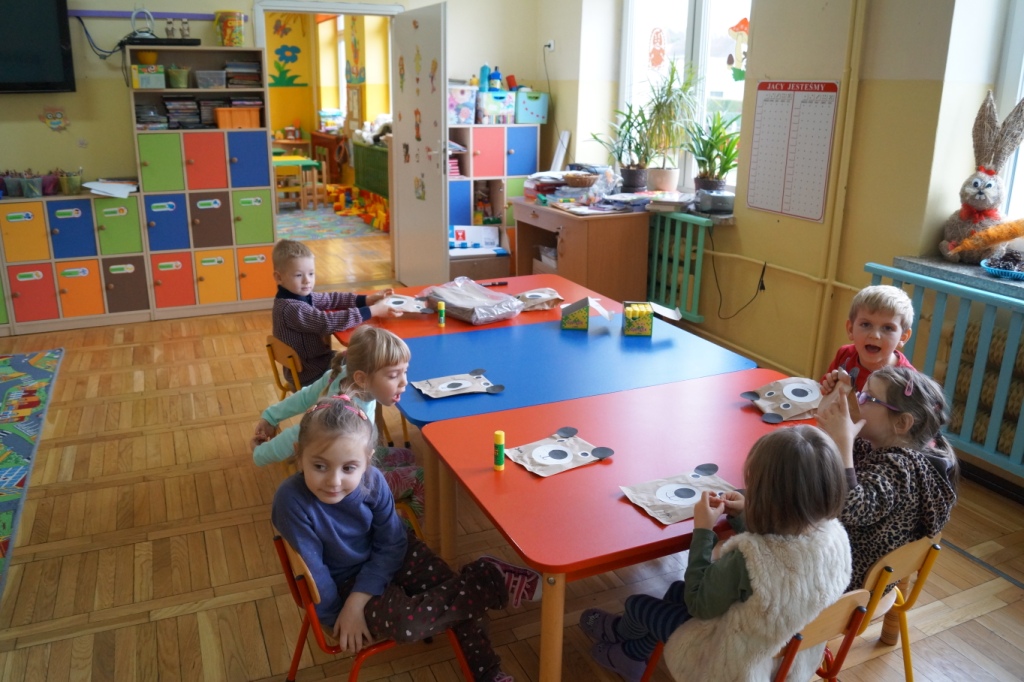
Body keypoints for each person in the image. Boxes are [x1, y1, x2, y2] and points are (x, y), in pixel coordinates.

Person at [271, 396, 541, 682]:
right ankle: (489, 579)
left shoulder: (373, 481)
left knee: (455, 595)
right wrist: (340, 614)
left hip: (395, 553)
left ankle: (487, 671)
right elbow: (316, 574)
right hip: (344, 582)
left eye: (348, 468)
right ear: (298, 454)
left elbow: (392, 542)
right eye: (320, 466)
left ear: (367, 460)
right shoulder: (290, 501)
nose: (334, 481)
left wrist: (357, 602)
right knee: (419, 619)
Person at [580, 426, 851, 682]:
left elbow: (698, 603)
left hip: (727, 660)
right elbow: (779, 548)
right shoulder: (836, 539)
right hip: (787, 653)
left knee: (638, 605)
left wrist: (703, 531)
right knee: (674, 592)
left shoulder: (746, 560)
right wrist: (744, 516)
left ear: (765, 498)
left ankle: (624, 646)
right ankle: (631, 650)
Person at [253, 326, 424, 518]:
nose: (404, 382)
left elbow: (304, 397)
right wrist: (259, 453)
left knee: (407, 455)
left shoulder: (342, 374)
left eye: (404, 372)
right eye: (393, 375)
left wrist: (271, 416)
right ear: (362, 378)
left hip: (350, 461)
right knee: (421, 478)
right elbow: (299, 435)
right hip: (350, 485)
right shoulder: (342, 414)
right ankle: (404, 530)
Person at [817, 365, 958, 592]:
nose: (858, 401)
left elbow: (850, 506)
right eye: (859, 393)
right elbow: (835, 458)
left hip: (845, 579)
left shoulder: (901, 467)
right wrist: (839, 399)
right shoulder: (879, 446)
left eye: (867, 397)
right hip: (843, 562)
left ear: (901, 423)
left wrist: (842, 439)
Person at [271, 239, 400, 388]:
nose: (307, 281)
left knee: (366, 360)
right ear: (279, 277)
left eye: (311, 273)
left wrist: (366, 300)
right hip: (311, 374)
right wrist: (373, 310)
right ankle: (367, 399)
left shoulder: (299, 296)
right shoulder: (291, 308)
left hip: (317, 363)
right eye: (299, 275)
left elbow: (331, 299)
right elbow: (327, 322)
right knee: (368, 365)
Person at [820, 284, 916, 395]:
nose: (875, 335)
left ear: (903, 337)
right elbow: (821, 392)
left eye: (888, 328)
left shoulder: (907, 382)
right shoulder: (844, 355)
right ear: (850, 329)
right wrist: (829, 387)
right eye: (866, 324)